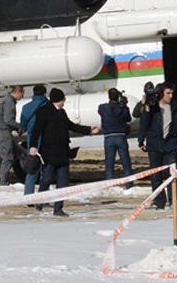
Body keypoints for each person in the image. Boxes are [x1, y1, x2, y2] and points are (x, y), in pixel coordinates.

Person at [28, 88, 99, 216]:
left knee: (63, 182)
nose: (65, 101)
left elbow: (71, 126)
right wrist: (33, 146)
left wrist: (88, 130)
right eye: (63, 99)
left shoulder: (62, 112)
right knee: (47, 179)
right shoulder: (43, 111)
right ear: (58, 100)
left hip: (63, 152)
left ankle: (58, 208)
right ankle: (40, 200)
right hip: (49, 153)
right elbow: (36, 130)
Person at [137, 81, 177, 209]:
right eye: (168, 93)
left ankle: (173, 201)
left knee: (172, 175)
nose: (170, 96)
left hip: (170, 145)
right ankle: (159, 202)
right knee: (156, 176)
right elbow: (144, 124)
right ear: (161, 94)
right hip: (154, 145)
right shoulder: (153, 107)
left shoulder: (176, 107)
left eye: (172, 93)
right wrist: (141, 140)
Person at [97, 88, 134, 186]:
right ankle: (129, 185)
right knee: (126, 163)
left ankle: (110, 184)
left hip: (109, 137)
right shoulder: (123, 109)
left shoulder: (103, 107)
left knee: (109, 164)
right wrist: (124, 105)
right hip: (121, 136)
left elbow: (100, 111)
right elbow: (128, 118)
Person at [0, 85, 23, 185]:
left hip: (2, 130)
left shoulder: (6, 100)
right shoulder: (9, 102)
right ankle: (2, 179)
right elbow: (8, 120)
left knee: (13, 153)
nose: (22, 96)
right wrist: (19, 127)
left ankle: (2, 176)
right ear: (18, 92)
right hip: (3, 131)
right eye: (22, 93)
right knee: (8, 155)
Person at [19, 84, 48, 197]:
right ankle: (43, 198)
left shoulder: (26, 107)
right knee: (46, 172)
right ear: (45, 94)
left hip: (32, 143)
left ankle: (28, 196)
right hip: (46, 141)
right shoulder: (47, 105)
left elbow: (23, 125)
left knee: (32, 171)